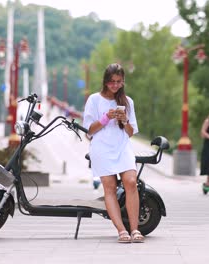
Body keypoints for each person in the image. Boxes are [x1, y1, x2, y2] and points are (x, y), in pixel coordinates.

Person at [82, 63, 143, 243]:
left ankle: (135, 229)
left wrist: (124, 121)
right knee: (109, 187)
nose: (115, 85)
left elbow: (131, 132)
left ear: (123, 82)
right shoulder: (94, 100)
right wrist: (106, 118)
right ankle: (121, 230)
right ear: (105, 82)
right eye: (112, 82)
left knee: (131, 182)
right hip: (101, 147)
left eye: (119, 82)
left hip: (122, 146)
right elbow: (89, 131)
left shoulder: (128, 102)